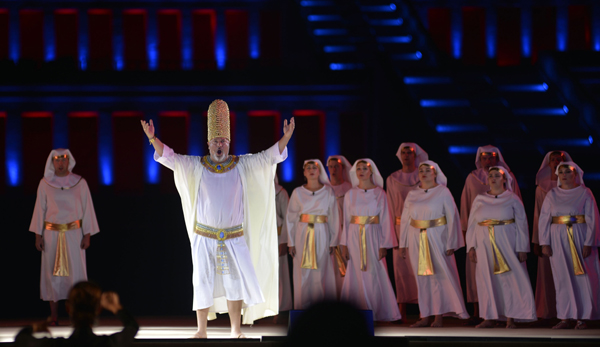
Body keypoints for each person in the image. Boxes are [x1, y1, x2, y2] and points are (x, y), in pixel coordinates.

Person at [141, 99, 295, 338]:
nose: (219, 145)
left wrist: (285, 137)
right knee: (202, 282)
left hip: (234, 237)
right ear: (209, 144)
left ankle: (235, 330)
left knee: (235, 284)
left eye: (223, 141)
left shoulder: (241, 164)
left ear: (229, 143)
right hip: (205, 237)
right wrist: (152, 138)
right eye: (216, 141)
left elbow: (267, 157)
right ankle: (201, 330)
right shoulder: (197, 166)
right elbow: (171, 158)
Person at [29, 149, 100, 326]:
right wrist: (38, 236)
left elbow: (87, 208)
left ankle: (79, 316)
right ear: (52, 162)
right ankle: (53, 316)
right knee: (52, 275)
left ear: (69, 161)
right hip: (52, 235)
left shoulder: (79, 183)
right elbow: (40, 210)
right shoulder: (45, 183)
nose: (60, 164)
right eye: (57, 160)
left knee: (76, 275)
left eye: (63, 160)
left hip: (74, 235)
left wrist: (87, 234)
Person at [400, 160, 469, 327]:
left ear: (435, 173)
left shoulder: (442, 192)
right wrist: (403, 243)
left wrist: (451, 241)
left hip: (437, 237)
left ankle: (439, 316)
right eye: (421, 170)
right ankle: (425, 316)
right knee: (422, 277)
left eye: (428, 170)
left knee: (439, 276)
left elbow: (452, 216)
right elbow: (405, 220)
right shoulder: (412, 194)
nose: (423, 172)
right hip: (416, 237)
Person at [466, 166, 536, 328]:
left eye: (497, 175)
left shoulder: (512, 198)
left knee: (509, 278)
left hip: (507, 242)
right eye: (491, 175)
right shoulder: (479, 199)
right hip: (484, 244)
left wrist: (522, 247)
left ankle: (511, 317)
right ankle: (489, 316)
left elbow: (522, 223)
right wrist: (471, 246)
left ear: (505, 179)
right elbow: (472, 224)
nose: (493, 178)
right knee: (486, 278)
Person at [460, 145, 521, 324]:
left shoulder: (508, 179)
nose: (488, 161)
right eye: (485, 157)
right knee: (482, 274)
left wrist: (520, 242)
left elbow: (519, 214)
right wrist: (468, 236)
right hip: (481, 234)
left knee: (507, 274)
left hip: (505, 234)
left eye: (492, 157)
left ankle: (510, 315)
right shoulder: (472, 178)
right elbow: (466, 206)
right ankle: (483, 312)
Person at [539, 161, 600, 329]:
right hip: (558, 238)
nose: (565, 175)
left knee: (582, 277)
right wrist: (545, 242)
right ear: (557, 175)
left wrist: (589, 242)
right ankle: (565, 317)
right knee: (562, 277)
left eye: (568, 171)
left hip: (579, 236)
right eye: (561, 172)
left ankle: (582, 317)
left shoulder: (584, 192)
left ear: (575, 174)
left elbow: (592, 218)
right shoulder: (552, 194)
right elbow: (544, 218)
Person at [340, 159, 401, 322]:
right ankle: (357, 313)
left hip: (373, 236)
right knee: (356, 274)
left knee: (374, 273)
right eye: (358, 168)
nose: (361, 171)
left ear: (371, 171)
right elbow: (346, 220)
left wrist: (384, 244)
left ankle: (378, 311)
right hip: (354, 237)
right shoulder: (350, 194)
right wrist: (344, 244)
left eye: (364, 168)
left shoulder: (380, 193)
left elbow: (386, 219)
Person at [15, 281, 138, 347]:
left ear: (68, 308)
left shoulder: (54, 345)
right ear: (99, 309)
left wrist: (36, 327)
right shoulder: (109, 343)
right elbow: (132, 327)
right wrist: (115, 307)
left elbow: (21, 339)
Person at [286, 160, 340, 309]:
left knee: (320, 272)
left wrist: (333, 241)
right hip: (302, 234)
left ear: (319, 171)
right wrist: (291, 242)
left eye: (314, 168)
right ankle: (301, 309)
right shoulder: (298, 192)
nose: (311, 170)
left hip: (321, 233)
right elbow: (291, 218)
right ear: (304, 172)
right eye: (308, 168)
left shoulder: (328, 191)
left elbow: (334, 216)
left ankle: (320, 311)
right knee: (302, 272)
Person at [386, 143, 428, 320]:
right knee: (401, 269)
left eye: (409, 153)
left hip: (419, 226)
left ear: (415, 155)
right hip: (398, 226)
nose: (406, 155)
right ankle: (400, 310)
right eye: (403, 152)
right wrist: (390, 235)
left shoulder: (424, 175)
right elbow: (388, 206)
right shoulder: (392, 178)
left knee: (420, 266)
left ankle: (424, 309)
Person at [532, 150, 572, 323]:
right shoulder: (542, 187)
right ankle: (549, 310)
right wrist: (538, 240)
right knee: (548, 273)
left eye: (559, 160)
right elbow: (538, 215)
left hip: (569, 234)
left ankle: (570, 311)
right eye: (553, 160)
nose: (556, 162)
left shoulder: (576, 188)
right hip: (548, 235)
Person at [326, 155, 352, 297]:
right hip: (329, 232)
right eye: (331, 166)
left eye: (337, 166)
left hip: (345, 231)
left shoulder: (349, 188)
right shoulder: (325, 188)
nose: (334, 169)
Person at [275, 175, 293, 313]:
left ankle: (281, 308)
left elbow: (287, 218)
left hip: (277, 237)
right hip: (261, 240)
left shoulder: (280, 192)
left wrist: (284, 241)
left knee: (280, 274)